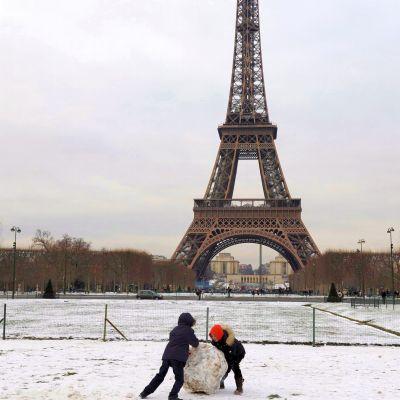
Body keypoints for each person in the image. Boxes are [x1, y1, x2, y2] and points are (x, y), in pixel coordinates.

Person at [140, 313, 199, 400]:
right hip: (177, 358)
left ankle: (144, 392)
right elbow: (195, 343)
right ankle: (173, 396)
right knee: (179, 379)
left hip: (167, 356)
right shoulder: (188, 330)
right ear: (189, 322)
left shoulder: (174, 330)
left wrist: (185, 350)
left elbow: (176, 342)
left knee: (160, 375)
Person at [209, 324, 246, 395]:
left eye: (215, 336)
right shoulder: (215, 340)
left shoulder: (229, 342)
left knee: (235, 367)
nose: (213, 338)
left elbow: (231, 356)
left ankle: (239, 387)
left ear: (219, 335)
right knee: (223, 367)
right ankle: (221, 383)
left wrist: (228, 368)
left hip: (237, 353)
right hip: (227, 353)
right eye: (212, 336)